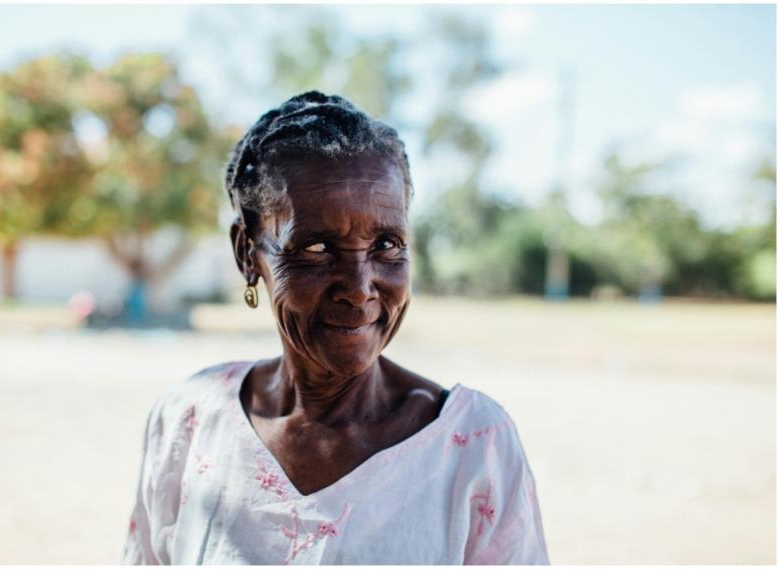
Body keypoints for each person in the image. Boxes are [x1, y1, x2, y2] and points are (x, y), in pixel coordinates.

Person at [122, 91, 549, 565]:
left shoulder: (470, 447)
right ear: (248, 253)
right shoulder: (191, 421)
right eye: (317, 248)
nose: (360, 287)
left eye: (387, 244)